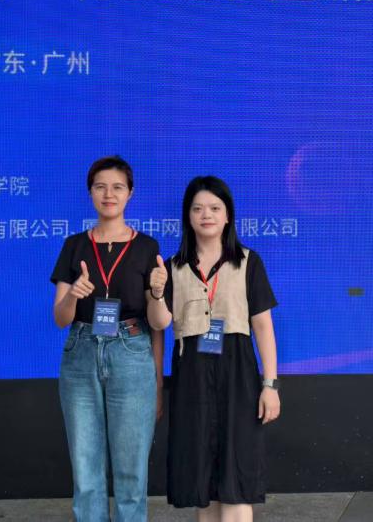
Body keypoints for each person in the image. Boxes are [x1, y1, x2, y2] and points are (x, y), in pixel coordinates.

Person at [50, 156, 171, 522]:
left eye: (118, 187)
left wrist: (157, 293)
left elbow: (158, 323)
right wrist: (73, 295)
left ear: (130, 193)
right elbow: (60, 318)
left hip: (131, 351)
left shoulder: (147, 247)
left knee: (131, 470)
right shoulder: (74, 246)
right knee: (86, 468)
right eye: (100, 186)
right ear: (90, 192)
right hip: (81, 352)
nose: (109, 194)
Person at [156, 176, 280, 521]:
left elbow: (263, 327)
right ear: (187, 216)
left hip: (237, 373)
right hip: (191, 377)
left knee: (237, 476)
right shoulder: (171, 268)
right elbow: (160, 323)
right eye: (197, 209)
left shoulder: (248, 262)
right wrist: (155, 292)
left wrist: (270, 385)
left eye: (214, 208)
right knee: (202, 481)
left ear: (228, 216)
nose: (206, 215)